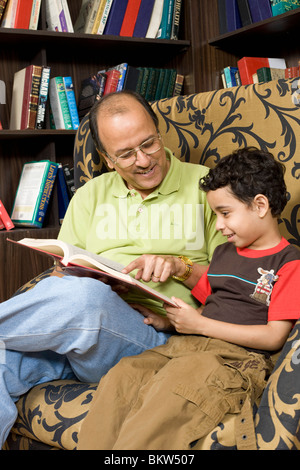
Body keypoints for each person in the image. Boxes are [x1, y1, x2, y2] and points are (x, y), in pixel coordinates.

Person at [0, 90, 224, 447]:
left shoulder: (208, 188)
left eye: (148, 144)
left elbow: (237, 283)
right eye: (125, 154)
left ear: (158, 131)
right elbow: (63, 276)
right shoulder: (90, 194)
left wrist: (181, 268)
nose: (143, 160)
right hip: (81, 336)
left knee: (87, 299)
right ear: (107, 159)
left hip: (157, 339)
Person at [77, 147, 300, 450]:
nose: (219, 226)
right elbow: (210, 303)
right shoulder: (224, 253)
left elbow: (275, 337)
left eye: (225, 214)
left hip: (234, 359)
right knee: (124, 375)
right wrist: (170, 321)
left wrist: (200, 325)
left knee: (176, 385)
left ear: (260, 205)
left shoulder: (289, 263)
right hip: (186, 347)